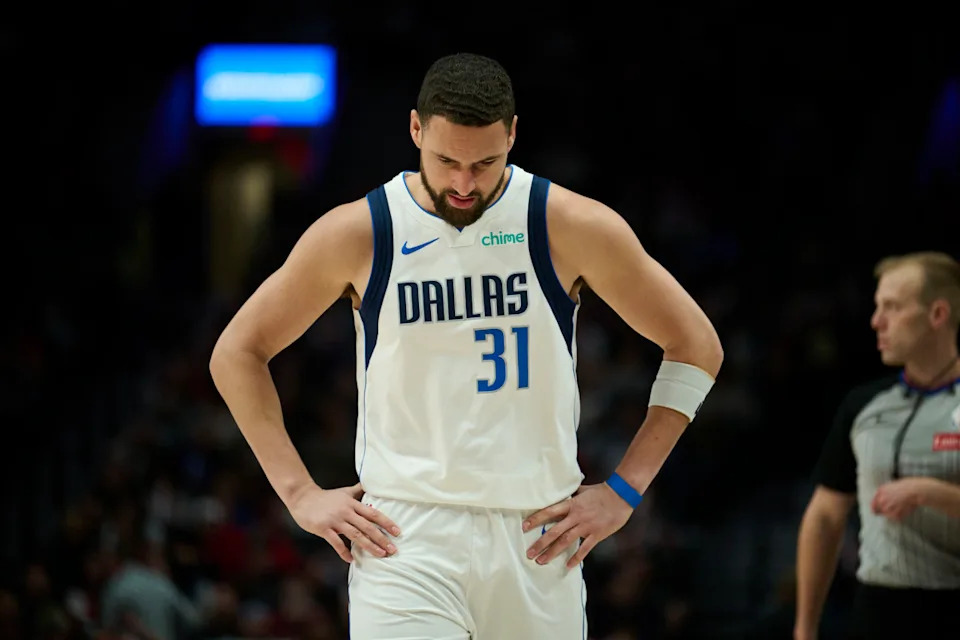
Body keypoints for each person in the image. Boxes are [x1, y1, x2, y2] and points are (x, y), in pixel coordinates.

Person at [209, 52, 723, 639]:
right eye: (446, 160)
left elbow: (695, 344)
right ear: (414, 129)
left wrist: (625, 491)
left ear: (513, 134)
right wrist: (298, 493)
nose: (463, 183)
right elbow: (237, 353)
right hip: (406, 537)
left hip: (538, 534)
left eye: (485, 163)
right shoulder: (362, 230)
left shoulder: (566, 224)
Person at [794, 251, 960, 640]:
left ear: (938, 314)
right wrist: (804, 627)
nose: (876, 321)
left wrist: (930, 493)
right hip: (878, 611)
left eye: (892, 307)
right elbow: (824, 517)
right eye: (876, 307)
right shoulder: (863, 405)